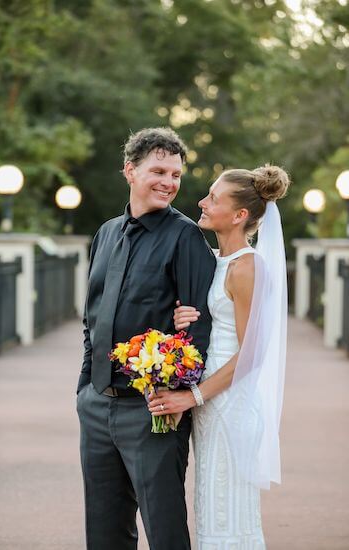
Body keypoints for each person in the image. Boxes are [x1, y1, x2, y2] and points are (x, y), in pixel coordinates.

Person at [76, 127, 216, 550]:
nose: (169, 183)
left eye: (176, 174)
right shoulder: (105, 233)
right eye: (159, 171)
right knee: (104, 529)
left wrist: (177, 396)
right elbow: (92, 319)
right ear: (130, 171)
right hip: (98, 406)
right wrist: (84, 389)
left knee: (165, 529)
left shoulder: (186, 237)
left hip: (154, 412)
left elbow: (199, 329)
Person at [148, 165, 290, 549]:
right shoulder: (215, 259)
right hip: (210, 402)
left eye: (213, 197)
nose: (202, 202)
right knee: (211, 509)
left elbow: (253, 353)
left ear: (240, 215)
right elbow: (211, 318)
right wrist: (185, 317)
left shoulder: (248, 267)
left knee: (229, 516)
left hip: (230, 404)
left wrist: (190, 396)